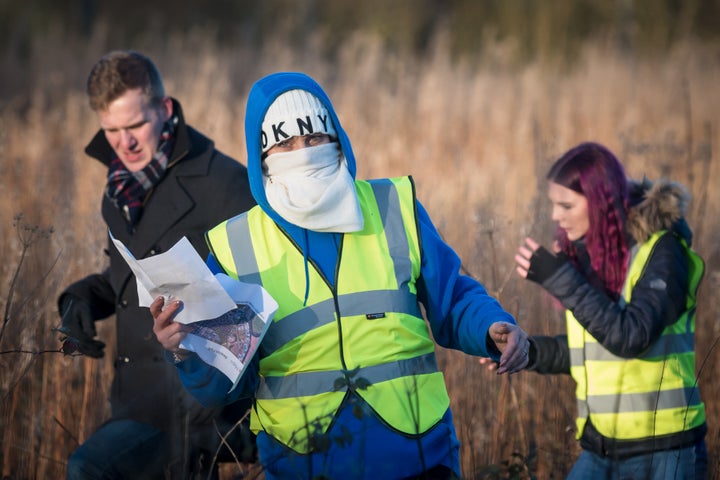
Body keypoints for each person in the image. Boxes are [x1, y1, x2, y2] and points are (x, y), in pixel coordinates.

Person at [150, 71, 531, 480]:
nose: (303, 153)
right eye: (285, 144)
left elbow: (453, 298)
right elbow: (223, 383)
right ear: (262, 155)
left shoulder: (393, 207)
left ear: (337, 139)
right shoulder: (235, 245)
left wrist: (491, 325)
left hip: (417, 455)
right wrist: (184, 349)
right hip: (304, 463)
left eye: (315, 139)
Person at [56, 50, 257, 479]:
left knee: (88, 468)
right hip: (139, 399)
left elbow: (268, 290)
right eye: (110, 130)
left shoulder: (224, 185)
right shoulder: (119, 189)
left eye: (134, 126)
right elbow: (129, 277)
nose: (123, 143)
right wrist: (80, 301)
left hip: (202, 407)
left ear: (165, 111)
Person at [512, 142, 707, 478]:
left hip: (665, 453)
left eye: (566, 205)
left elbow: (631, 336)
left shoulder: (663, 251)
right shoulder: (594, 257)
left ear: (600, 201)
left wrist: (560, 278)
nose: (556, 215)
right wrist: (526, 351)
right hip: (600, 451)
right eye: (553, 205)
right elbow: (590, 351)